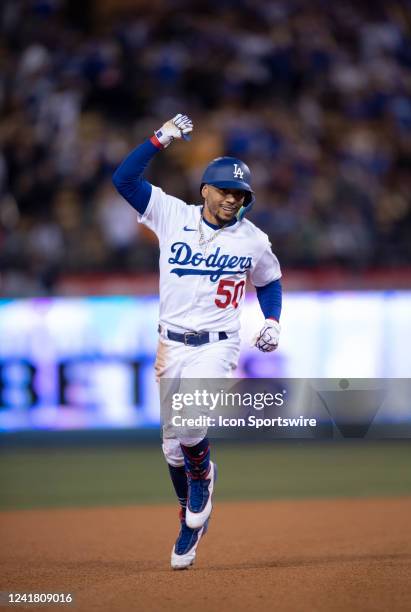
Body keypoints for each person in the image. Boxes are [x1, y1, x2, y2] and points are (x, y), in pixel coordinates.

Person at [112, 114, 282, 570]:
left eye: (240, 194)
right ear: (205, 189)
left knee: (189, 423)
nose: (232, 198)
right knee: (171, 447)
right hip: (170, 344)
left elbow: (269, 279)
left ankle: (203, 475)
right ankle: (190, 519)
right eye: (225, 189)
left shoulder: (253, 240)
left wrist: (273, 320)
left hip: (219, 344)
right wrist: (160, 138)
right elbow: (124, 179)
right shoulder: (172, 214)